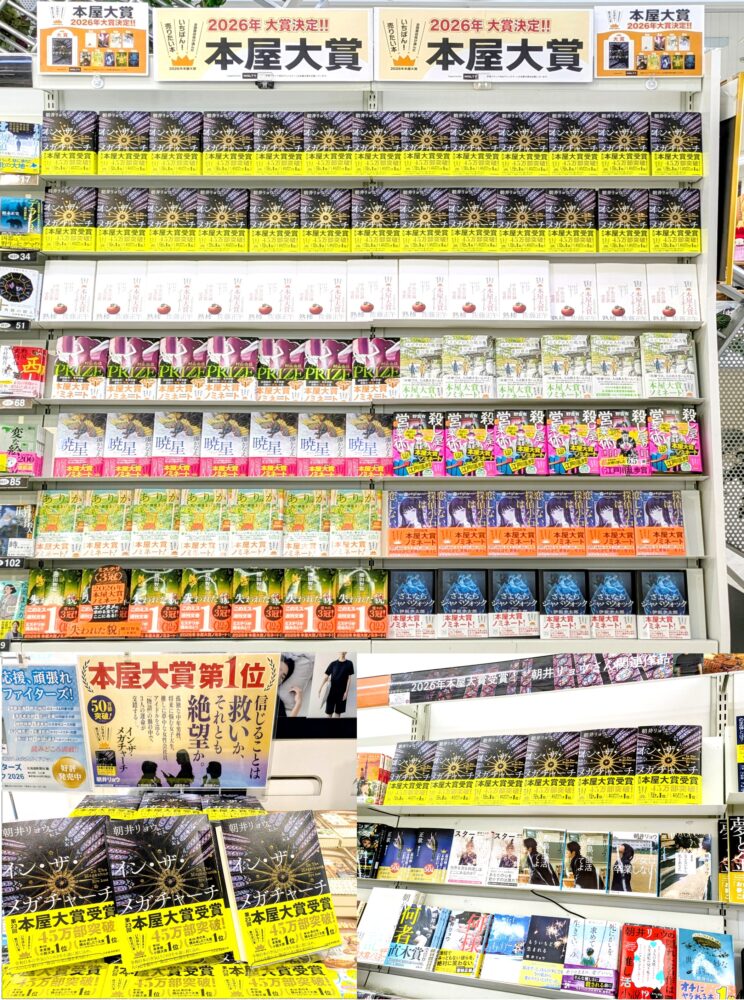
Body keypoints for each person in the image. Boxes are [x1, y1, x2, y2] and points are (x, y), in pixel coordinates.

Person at [318, 652, 354, 719]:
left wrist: (346, 692)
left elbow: (349, 679)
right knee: (329, 713)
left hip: (342, 692)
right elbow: (326, 677)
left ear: (346, 651)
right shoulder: (333, 664)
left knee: (338, 713)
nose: (342, 651)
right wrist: (320, 688)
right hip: (331, 692)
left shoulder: (349, 663)